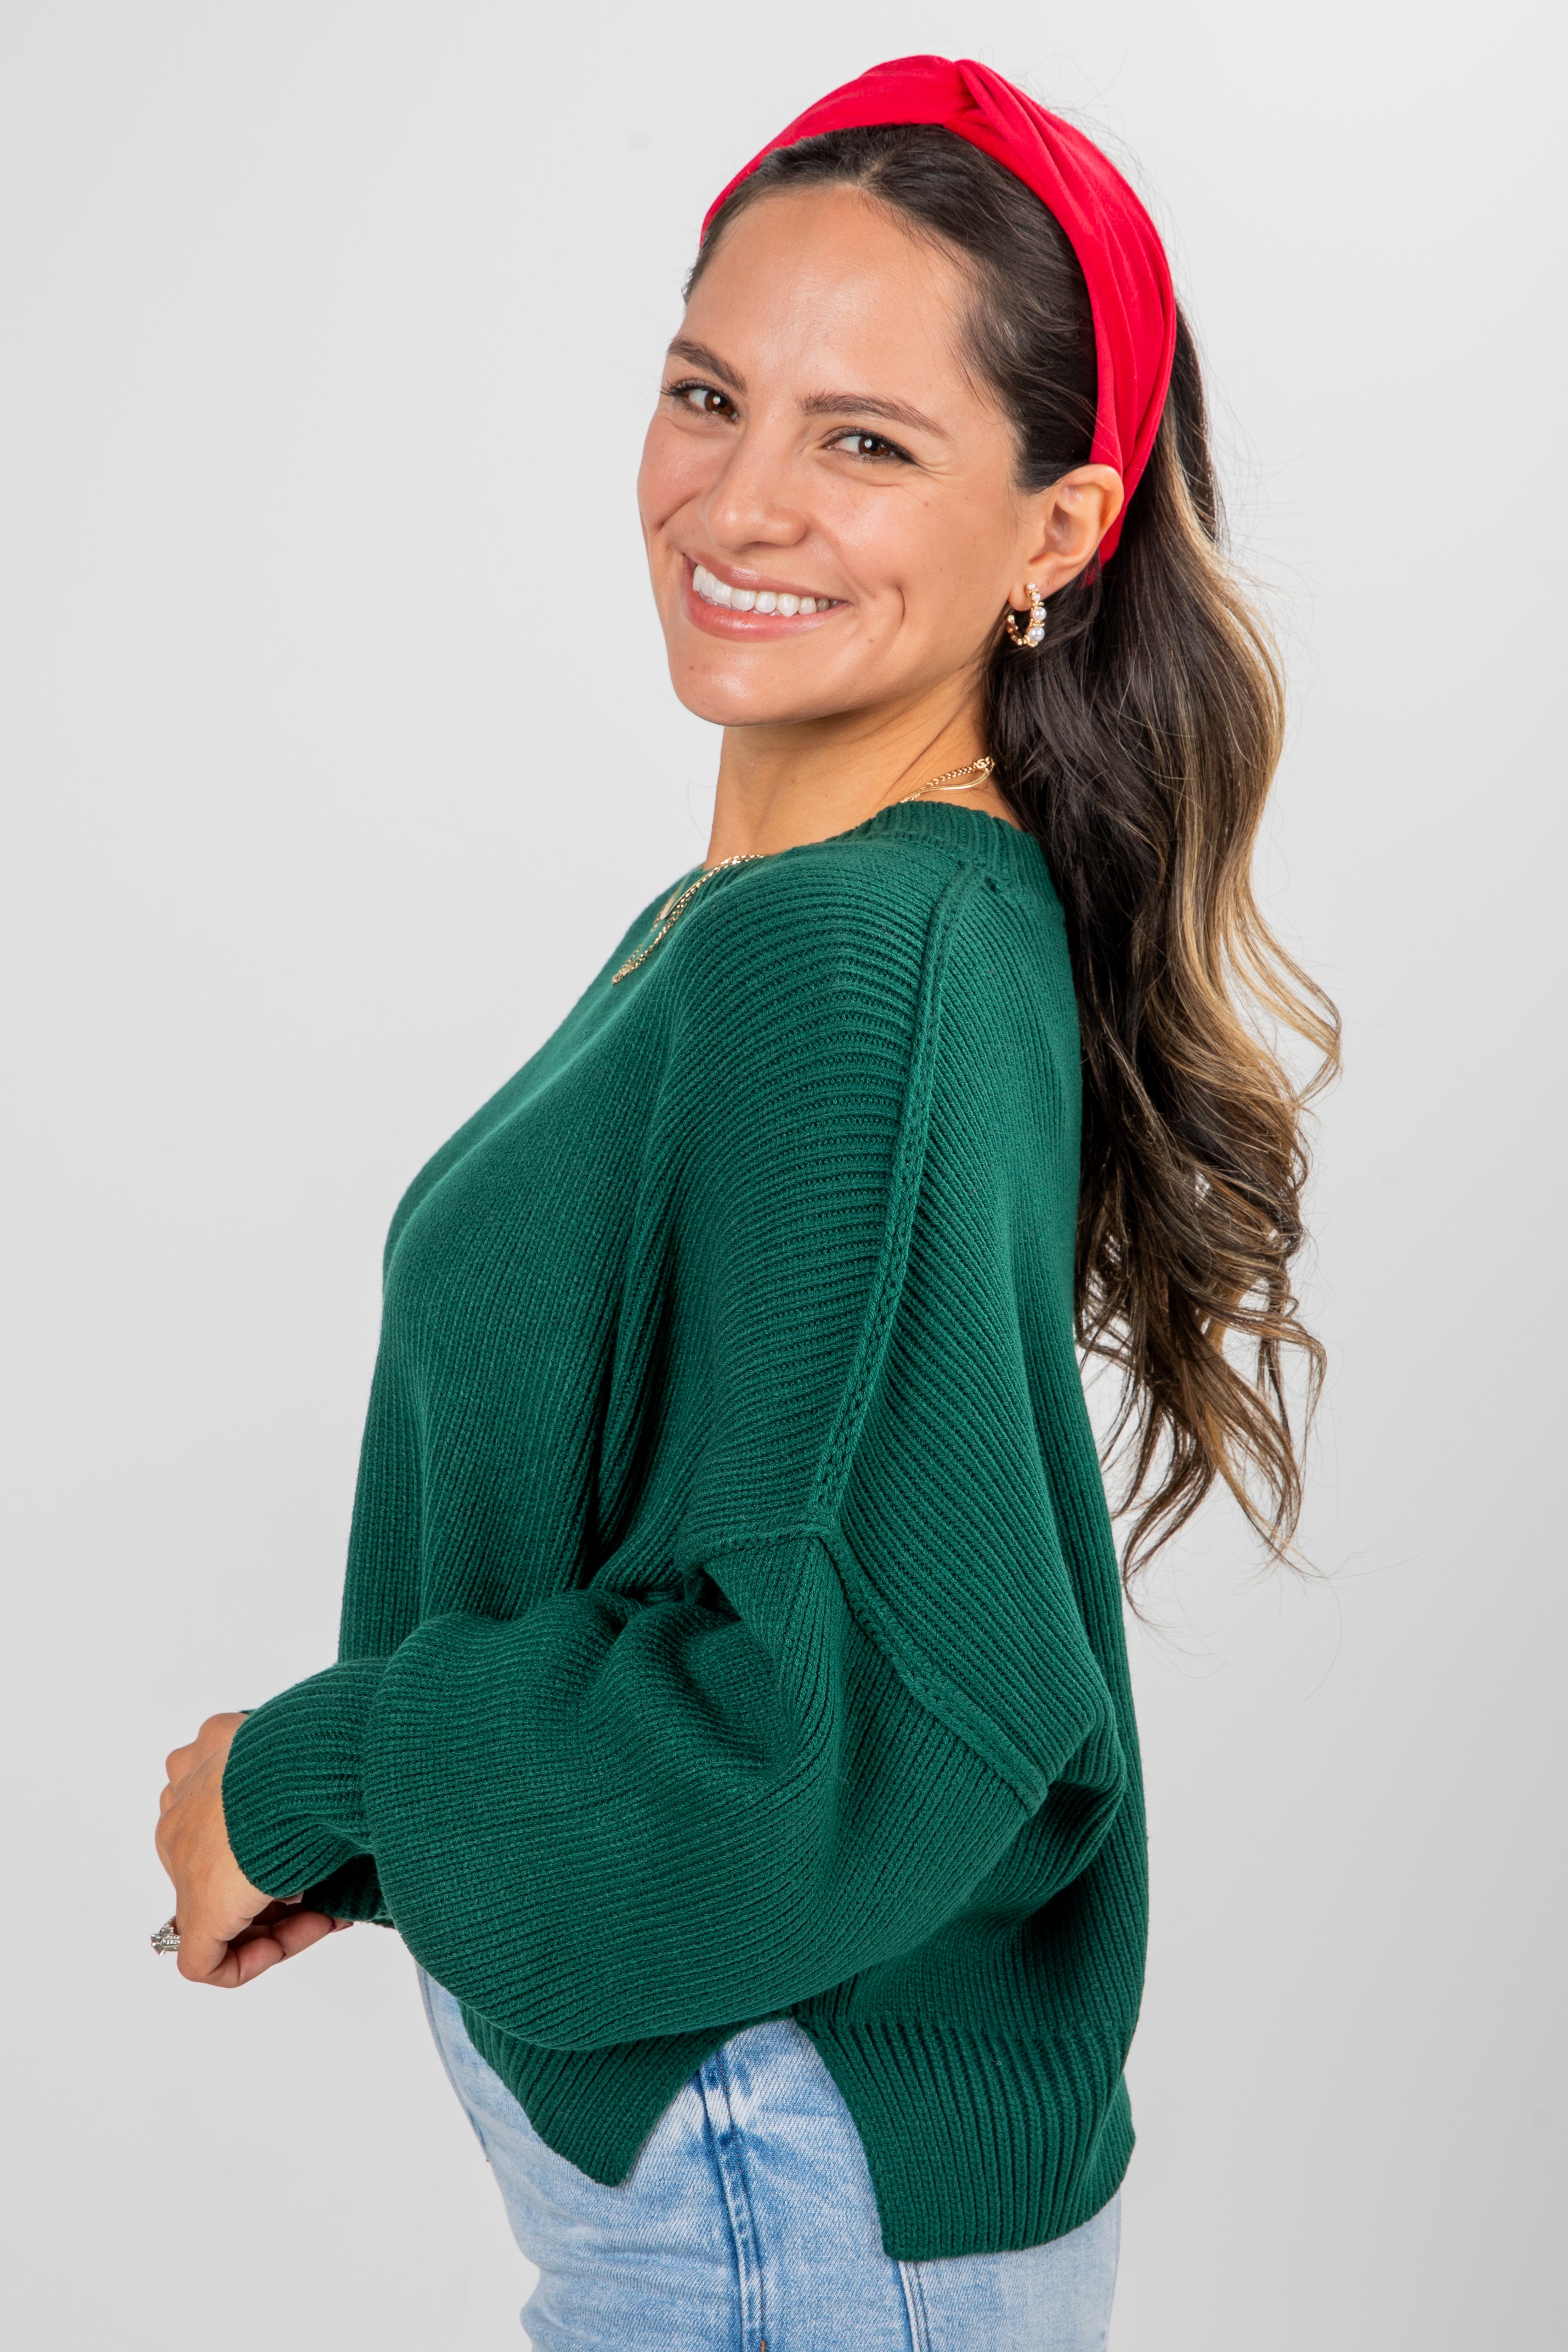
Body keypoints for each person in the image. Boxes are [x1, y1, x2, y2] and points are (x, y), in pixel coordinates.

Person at [154, 55, 1335, 2351]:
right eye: (709, 393)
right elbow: (739, 1558)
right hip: (773, 2181)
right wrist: (403, 1832)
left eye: (864, 441)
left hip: (775, 2196)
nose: (741, 499)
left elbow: (834, 1704)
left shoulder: (848, 955)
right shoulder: (791, 913)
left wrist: (315, 1772)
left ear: (1060, 532)